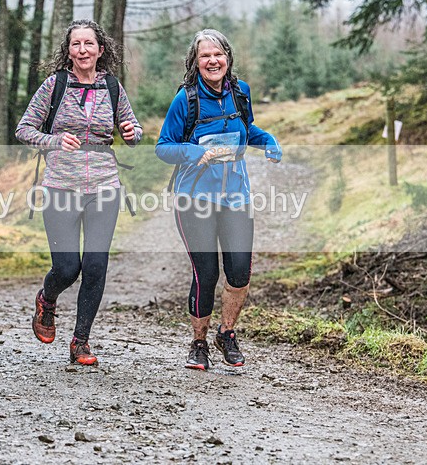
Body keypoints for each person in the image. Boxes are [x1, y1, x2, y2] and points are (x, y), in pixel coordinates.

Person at [15, 19, 142, 366]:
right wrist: (55, 140)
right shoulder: (54, 85)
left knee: (96, 264)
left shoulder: (112, 87)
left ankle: (81, 341)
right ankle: (48, 298)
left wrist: (132, 133)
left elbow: (133, 128)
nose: (83, 50)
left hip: (104, 184)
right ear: (68, 51)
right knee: (68, 267)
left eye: (89, 44)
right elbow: (24, 129)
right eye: (76, 45)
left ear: (101, 50)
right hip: (60, 185)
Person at [155, 28, 281, 370]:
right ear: (195, 63)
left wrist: (267, 140)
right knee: (205, 274)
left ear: (228, 58)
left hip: (235, 196)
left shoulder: (241, 93)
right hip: (193, 198)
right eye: (204, 56)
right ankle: (199, 343)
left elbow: (248, 130)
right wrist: (195, 152)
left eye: (218, 54)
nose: (212, 61)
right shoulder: (187, 99)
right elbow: (163, 147)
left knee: (239, 272)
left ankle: (227, 334)